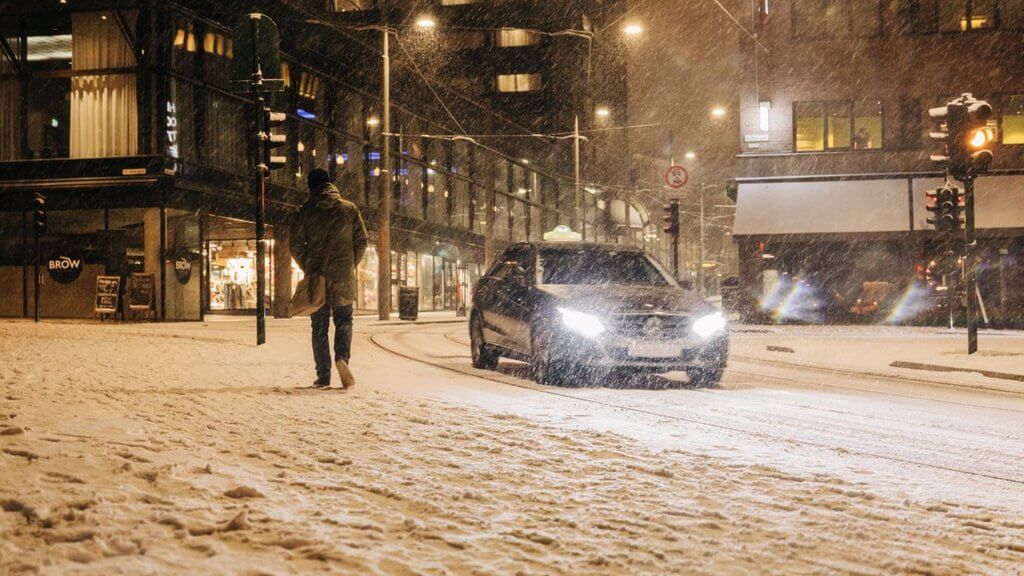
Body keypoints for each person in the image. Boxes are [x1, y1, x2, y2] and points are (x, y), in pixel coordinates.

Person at [290, 169, 368, 389]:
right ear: (330, 184)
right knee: (344, 320)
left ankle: (323, 375)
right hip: (343, 277)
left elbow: (295, 245)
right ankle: (342, 358)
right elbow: (362, 241)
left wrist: (309, 265)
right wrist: (348, 265)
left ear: (311, 187)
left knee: (319, 326)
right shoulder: (349, 209)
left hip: (318, 277)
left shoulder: (304, 211)